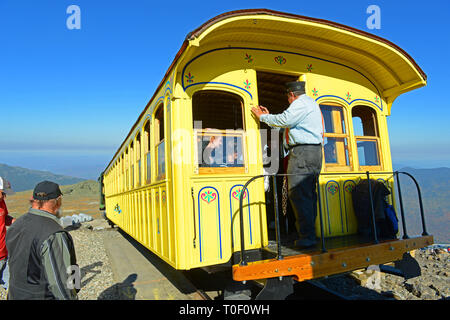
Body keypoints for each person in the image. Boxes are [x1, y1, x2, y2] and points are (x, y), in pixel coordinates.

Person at [251, 81, 324, 248]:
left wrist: (261, 117)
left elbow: (285, 120)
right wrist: (270, 117)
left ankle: (307, 237)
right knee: (308, 195)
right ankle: (309, 233)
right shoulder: (310, 103)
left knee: (299, 193)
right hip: (313, 153)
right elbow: (287, 127)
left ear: (291, 94)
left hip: (302, 154)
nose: (289, 102)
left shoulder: (300, 103)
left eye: (288, 98)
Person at [6, 180, 79, 299]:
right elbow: (61, 284)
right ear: (58, 200)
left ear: (34, 200)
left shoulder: (16, 225)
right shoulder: (54, 234)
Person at [0, 177, 15, 291]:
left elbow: (4, 218)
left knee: (12, 287)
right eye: (3, 193)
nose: (5, 196)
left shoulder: (2, 203)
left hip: (4, 253)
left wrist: (15, 222)